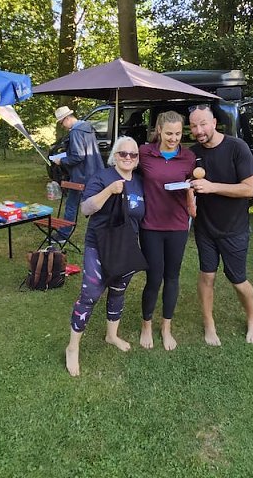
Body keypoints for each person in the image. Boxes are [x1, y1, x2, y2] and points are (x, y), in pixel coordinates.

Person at [65, 136, 145, 376]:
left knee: (118, 290)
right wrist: (109, 191)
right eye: (123, 153)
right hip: (98, 245)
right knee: (90, 294)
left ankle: (112, 335)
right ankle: (72, 347)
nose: (128, 158)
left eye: (133, 154)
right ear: (114, 156)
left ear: (137, 159)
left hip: (126, 246)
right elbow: (86, 208)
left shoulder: (140, 182)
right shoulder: (101, 177)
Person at [187, 104, 253, 345]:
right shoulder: (193, 153)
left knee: (237, 279)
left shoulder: (237, 147)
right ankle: (209, 324)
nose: (199, 130)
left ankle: (252, 320)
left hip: (234, 228)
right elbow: (188, 185)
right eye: (194, 126)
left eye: (203, 124)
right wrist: (190, 200)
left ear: (214, 123)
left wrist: (212, 187)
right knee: (207, 276)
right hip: (205, 228)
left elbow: (249, 189)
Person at [137, 111, 197, 350]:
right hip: (150, 226)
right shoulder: (144, 153)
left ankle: (166, 327)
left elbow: (194, 185)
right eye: (169, 133)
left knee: (172, 277)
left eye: (178, 134)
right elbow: (125, 170)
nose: (174, 139)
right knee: (154, 277)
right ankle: (146, 325)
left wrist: (191, 190)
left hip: (178, 226)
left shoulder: (188, 157)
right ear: (159, 130)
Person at [52, 105, 104, 239]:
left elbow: (78, 156)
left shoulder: (75, 132)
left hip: (80, 175)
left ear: (67, 118)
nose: (63, 126)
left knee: (71, 205)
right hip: (94, 172)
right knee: (97, 205)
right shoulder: (87, 128)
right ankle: (103, 233)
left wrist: (61, 160)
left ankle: (63, 235)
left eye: (61, 122)